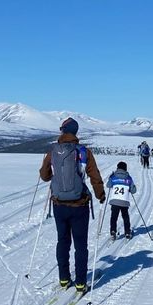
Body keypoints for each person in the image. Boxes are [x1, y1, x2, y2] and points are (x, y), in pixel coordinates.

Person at [39, 117, 105, 294]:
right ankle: (81, 283)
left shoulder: (52, 151)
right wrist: (101, 195)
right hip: (79, 205)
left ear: (62, 131)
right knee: (80, 245)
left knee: (63, 241)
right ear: (75, 132)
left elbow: (45, 176)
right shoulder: (84, 152)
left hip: (59, 205)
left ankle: (63, 278)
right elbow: (95, 176)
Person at [107, 161, 137, 240]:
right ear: (125, 168)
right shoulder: (128, 178)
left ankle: (113, 232)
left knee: (114, 217)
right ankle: (127, 232)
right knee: (125, 217)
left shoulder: (113, 176)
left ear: (117, 168)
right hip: (124, 201)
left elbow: (108, 185)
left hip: (115, 201)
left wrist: (110, 178)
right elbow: (133, 191)